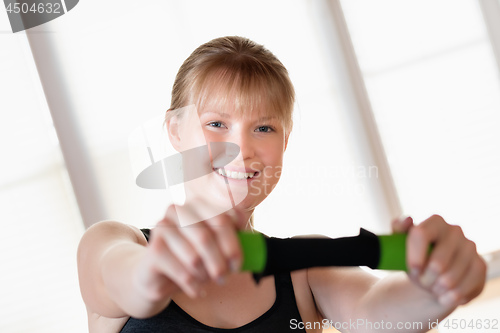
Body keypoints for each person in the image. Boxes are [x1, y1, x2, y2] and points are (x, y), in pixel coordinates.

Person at [77, 36, 487, 333]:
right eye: (217, 124)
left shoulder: (305, 271)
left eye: (264, 127)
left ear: (285, 143)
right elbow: (126, 281)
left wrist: (440, 287)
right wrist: (157, 270)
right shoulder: (112, 243)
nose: (240, 148)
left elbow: (374, 314)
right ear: (175, 131)